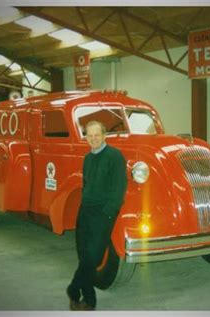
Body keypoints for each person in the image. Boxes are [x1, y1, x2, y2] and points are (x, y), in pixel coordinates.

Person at [66, 120, 128, 311]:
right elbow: (86, 184)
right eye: (89, 135)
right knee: (85, 257)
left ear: (104, 136)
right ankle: (88, 300)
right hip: (85, 212)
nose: (93, 139)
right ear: (86, 137)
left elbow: (119, 188)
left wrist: (108, 214)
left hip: (103, 214)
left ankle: (73, 288)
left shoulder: (115, 156)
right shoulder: (88, 158)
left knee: (93, 258)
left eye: (97, 135)